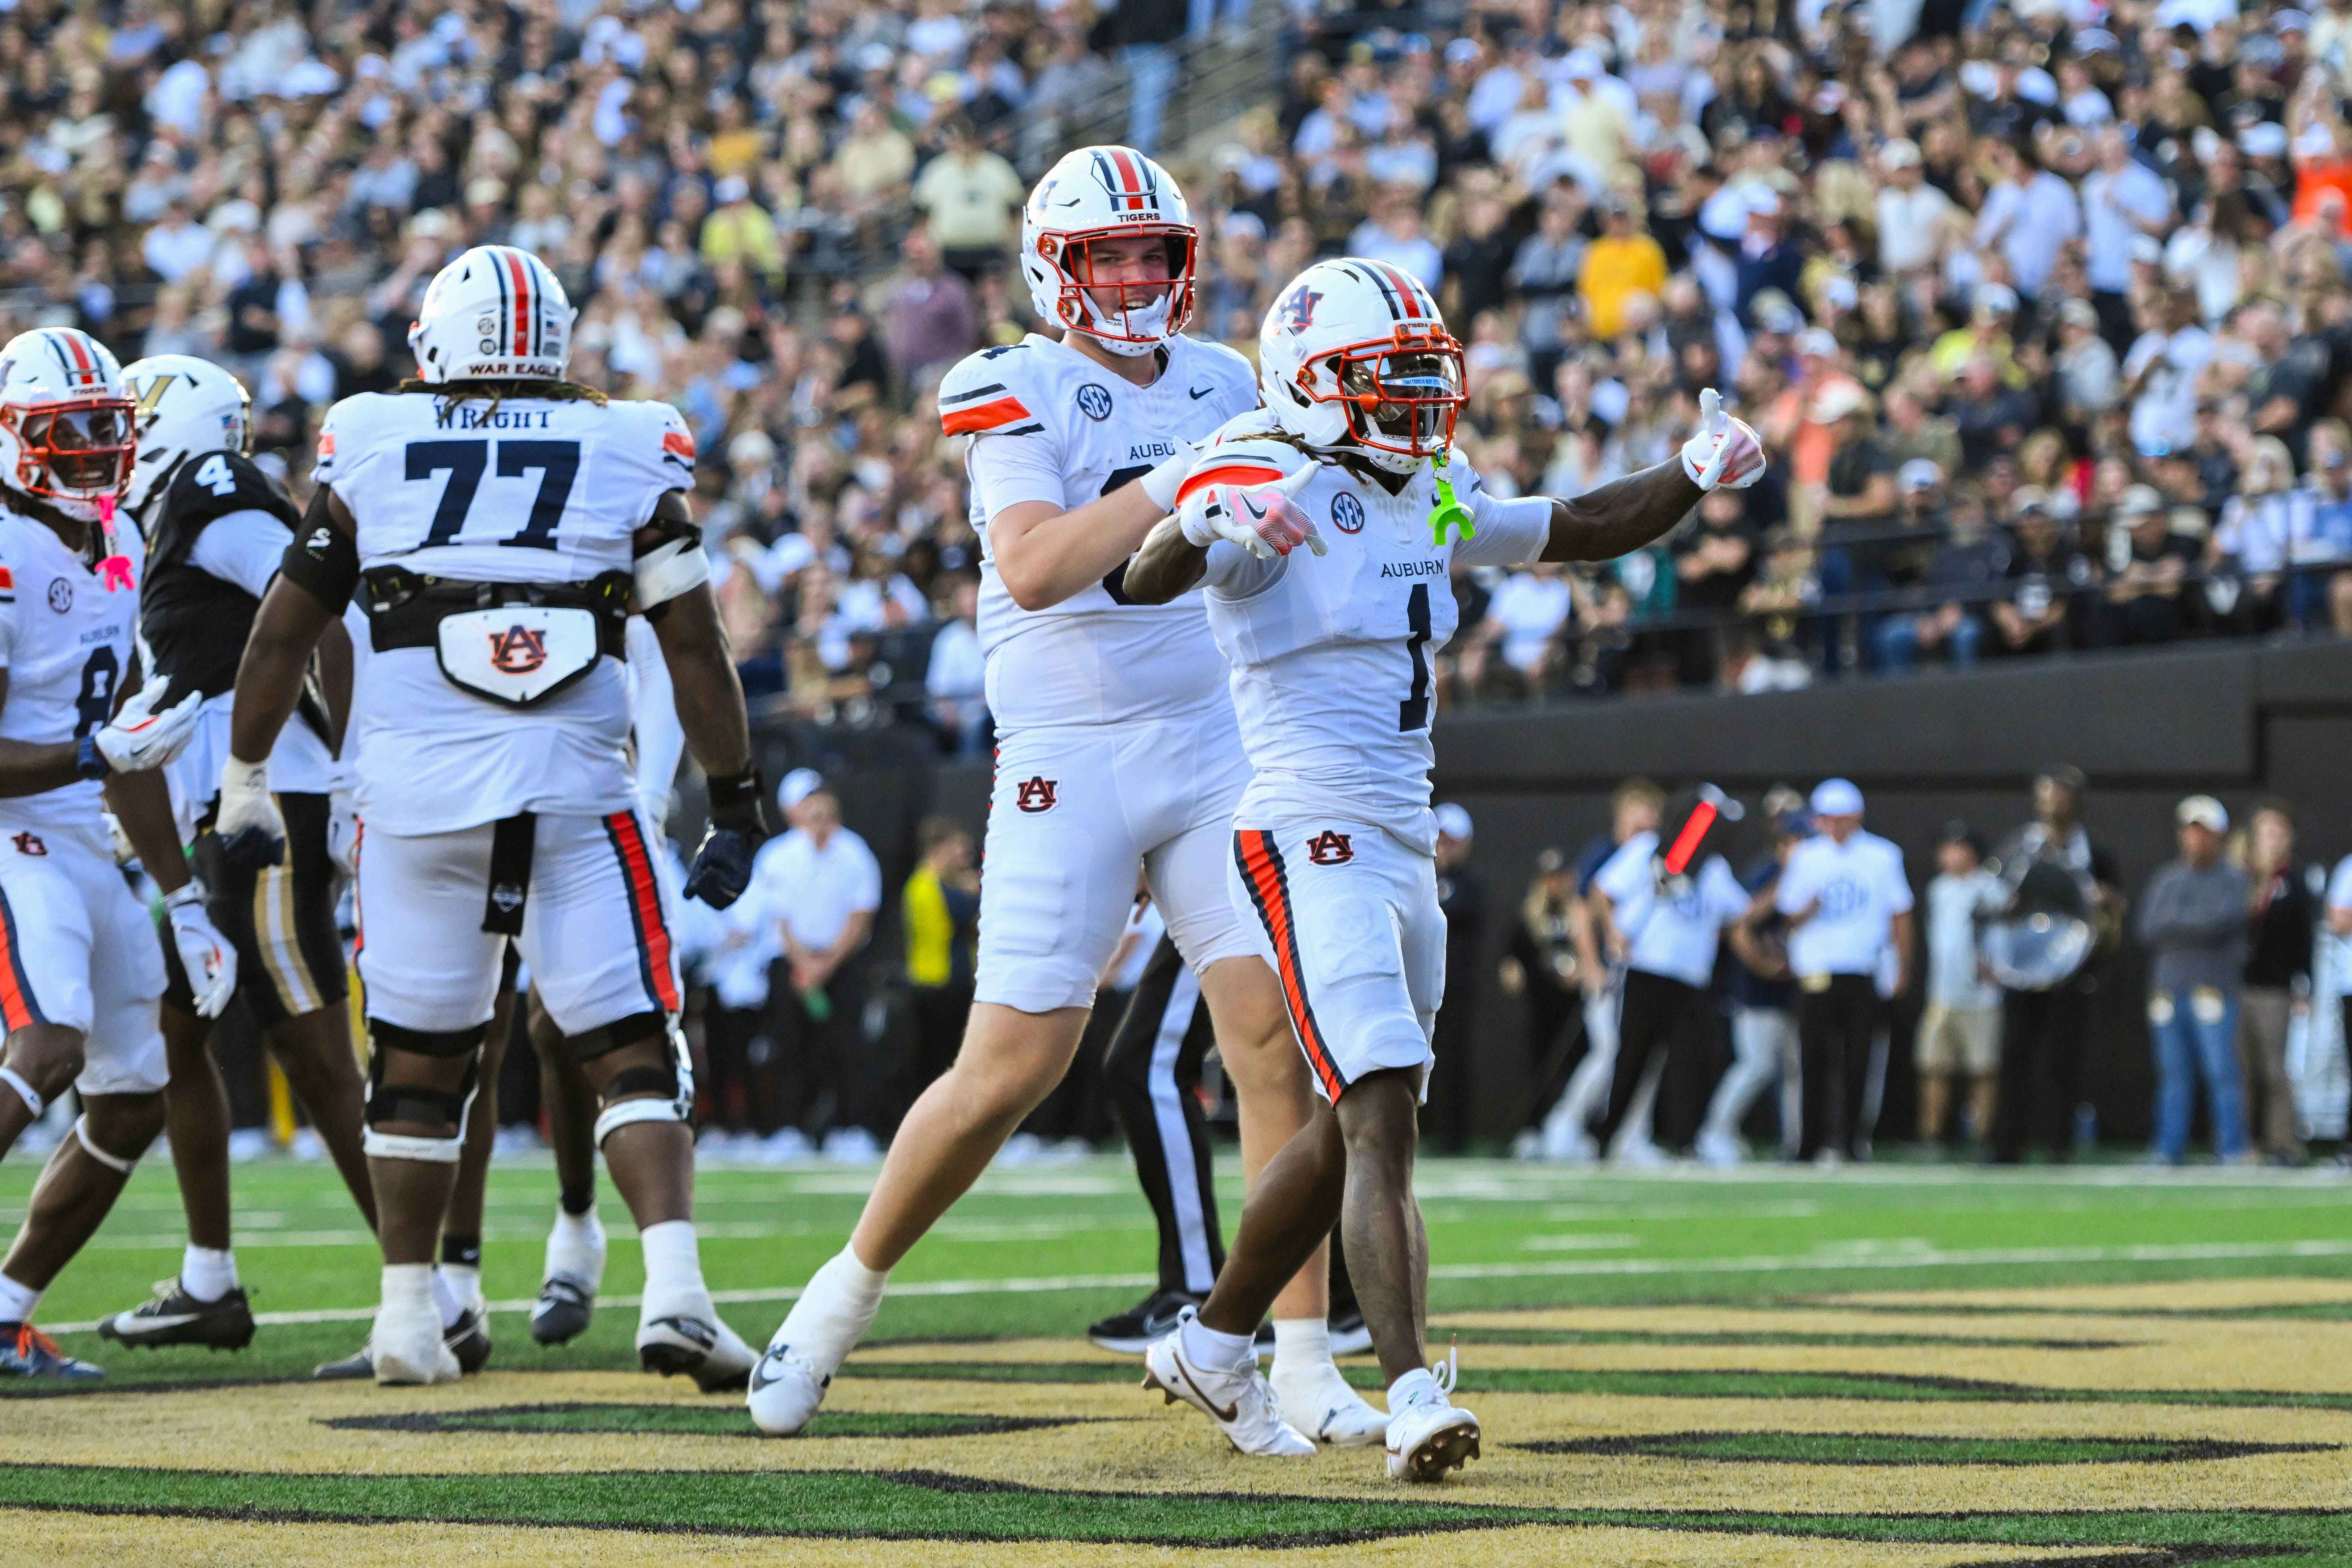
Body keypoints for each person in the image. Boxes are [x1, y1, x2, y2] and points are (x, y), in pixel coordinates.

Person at [749, 149, 1381, 1452]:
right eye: (1112, 257)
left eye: (1156, 254)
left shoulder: (1223, 379)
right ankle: (836, 1302)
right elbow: (1035, 565)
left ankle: (1303, 1357)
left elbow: (1236, 569)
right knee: (1011, 1068)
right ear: (1056, 266)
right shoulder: (1009, 380)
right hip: (1069, 748)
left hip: (1211, 736)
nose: (1139, 277)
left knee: (1276, 1044)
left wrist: (1254, 540)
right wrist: (1180, 485)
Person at [1119, 255, 1766, 1478]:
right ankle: (1410, 1387)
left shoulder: (1431, 485)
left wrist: (1689, 475)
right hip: (1305, 826)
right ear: (1312, 386)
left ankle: (1212, 1340)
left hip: (1403, 828)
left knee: (1361, 1112)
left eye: (1426, 379)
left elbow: (1570, 527)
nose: (1420, 405)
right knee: (1377, 1114)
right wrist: (1203, 525)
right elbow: (1144, 570)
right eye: (1389, 380)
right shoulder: (1266, 471)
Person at [222, 245, 766, 1388]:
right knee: (629, 1045)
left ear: (435, 344)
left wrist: (247, 776)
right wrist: (733, 798)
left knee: (417, 1063)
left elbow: (279, 632)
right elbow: (692, 639)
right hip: (575, 787)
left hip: (414, 796)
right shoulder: (625, 440)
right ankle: (673, 1292)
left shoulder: (371, 437)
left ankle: (409, 1319)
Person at [95, 354, 377, 1357]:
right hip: (224, 811)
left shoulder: (214, 493)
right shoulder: (163, 517)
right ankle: (211, 1279)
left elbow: (320, 607)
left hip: (270, 804)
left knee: (312, 1047)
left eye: (132, 420)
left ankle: (425, 1284)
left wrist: (346, 775)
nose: (115, 441)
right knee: (176, 1038)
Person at [0, 327, 224, 1379]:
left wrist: (183, 897)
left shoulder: (122, 537)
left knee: (133, 1093)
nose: (93, 448)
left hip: (81, 830)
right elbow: (96, 742)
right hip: (11, 833)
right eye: (68, 430)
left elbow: (128, 742)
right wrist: (94, 748)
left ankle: (5, 1309)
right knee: (47, 1043)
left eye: (106, 426)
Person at [1586, 786, 1750, 1159]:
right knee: (1631, 1057)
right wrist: (1614, 936)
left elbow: (1738, 913)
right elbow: (1602, 890)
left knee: (1687, 1061)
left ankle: (1682, 1141)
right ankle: (1607, 1137)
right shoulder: (1646, 851)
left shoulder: (1713, 869)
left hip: (1690, 979)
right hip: (1646, 970)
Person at [1989, 766, 2123, 1164]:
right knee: (2014, 1056)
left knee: (2065, 1061)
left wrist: (2107, 902)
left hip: (2074, 969)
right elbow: (1990, 898)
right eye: (2046, 794)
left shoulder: (2095, 854)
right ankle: (2006, 1146)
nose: (2052, 802)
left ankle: (2060, 1145)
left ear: (2076, 801)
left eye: (2061, 794)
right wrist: (2004, 911)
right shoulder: (2018, 849)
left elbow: (2116, 910)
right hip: (2022, 968)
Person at [1775, 778, 1914, 1163]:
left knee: (1859, 1063)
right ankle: (1808, 1143)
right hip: (1817, 971)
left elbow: (1900, 914)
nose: (1834, 828)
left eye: (1841, 819)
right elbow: (1789, 913)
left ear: (1857, 818)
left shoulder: (1883, 856)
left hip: (1862, 969)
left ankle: (1852, 1142)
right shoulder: (1805, 856)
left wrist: (1902, 968)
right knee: (1811, 1061)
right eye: (1827, 819)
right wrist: (1808, 910)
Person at [1539, 777, 1664, 1160]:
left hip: (1645, 972)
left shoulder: (1657, 858)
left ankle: (1632, 1135)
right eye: (1636, 826)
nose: (1642, 834)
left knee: (1645, 1056)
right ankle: (1564, 1124)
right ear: (1620, 819)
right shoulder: (1603, 853)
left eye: (1649, 826)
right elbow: (1581, 913)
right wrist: (1592, 965)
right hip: (1609, 972)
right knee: (1610, 1050)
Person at [760, 787, 884, 1159]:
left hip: (841, 964)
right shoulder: (779, 856)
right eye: (813, 817)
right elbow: (778, 918)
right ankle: (790, 1129)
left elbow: (861, 913)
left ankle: (851, 1128)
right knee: (791, 1046)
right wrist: (804, 963)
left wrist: (827, 963)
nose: (821, 825)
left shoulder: (855, 853)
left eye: (828, 817)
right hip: (793, 964)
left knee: (847, 1047)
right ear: (799, 818)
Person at [2137, 796, 2252, 1165]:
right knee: (2173, 1074)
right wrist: (2193, 924)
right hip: (2168, 989)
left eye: (2204, 833)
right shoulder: (2167, 878)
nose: (2196, 840)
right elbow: (2147, 928)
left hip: (2213, 988)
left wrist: (2178, 923)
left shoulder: (2233, 879)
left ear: (2218, 836)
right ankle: (2168, 1149)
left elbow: (2220, 924)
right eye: (2190, 832)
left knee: (2222, 1072)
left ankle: (2232, 1149)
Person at [1706, 786, 1807, 1166]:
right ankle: (1714, 1132)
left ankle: (1797, 1142)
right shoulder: (1765, 869)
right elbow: (1739, 924)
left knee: (1796, 1068)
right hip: (1758, 987)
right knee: (1756, 1065)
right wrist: (1761, 965)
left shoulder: (1815, 866)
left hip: (1797, 984)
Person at [1916, 823, 2005, 1149]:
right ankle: (1931, 1137)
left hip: (1982, 999)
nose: (1949, 855)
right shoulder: (1937, 890)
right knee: (1933, 1067)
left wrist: (1998, 967)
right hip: (1941, 995)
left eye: (1957, 848)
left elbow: (2005, 936)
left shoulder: (1992, 889)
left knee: (1983, 1071)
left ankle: (1981, 1136)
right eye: (1945, 848)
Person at [2238, 801, 2314, 1165]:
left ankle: (2282, 1142)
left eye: (2279, 833)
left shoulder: (2295, 880)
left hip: (2275, 987)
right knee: (2239, 1070)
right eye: (2266, 832)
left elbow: (2305, 936)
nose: (2272, 840)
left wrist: (2306, 984)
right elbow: (2237, 922)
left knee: (2274, 1069)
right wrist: (2258, 880)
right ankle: (2242, 1144)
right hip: (2236, 985)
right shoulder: (2238, 876)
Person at [1500, 848, 1584, 1152]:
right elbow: (1511, 955)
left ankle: (1570, 1130)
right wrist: (1512, 970)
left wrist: (1581, 971)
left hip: (1575, 1006)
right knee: (1539, 1066)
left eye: (1559, 878)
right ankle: (1532, 1130)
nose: (1555, 885)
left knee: (1577, 1065)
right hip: (1541, 1004)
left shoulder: (1578, 913)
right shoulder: (1529, 916)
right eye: (1549, 879)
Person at [901, 815, 978, 1099]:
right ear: (940, 849)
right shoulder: (928, 885)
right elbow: (969, 917)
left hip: (944, 981)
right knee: (938, 1059)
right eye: (960, 850)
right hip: (938, 983)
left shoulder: (932, 884)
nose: (965, 858)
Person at [1423, 802, 1484, 1152]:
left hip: (1455, 985)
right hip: (1419, 981)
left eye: (1451, 840)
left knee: (1453, 1058)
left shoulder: (1472, 884)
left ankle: (1454, 1136)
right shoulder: (1420, 878)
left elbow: (1449, 915)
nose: (1444, 846)